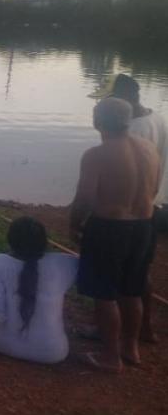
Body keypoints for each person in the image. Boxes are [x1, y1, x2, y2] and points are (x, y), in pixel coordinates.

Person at [71, 97, 160, 372]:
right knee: (131, 290)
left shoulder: (97, 154)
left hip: (110, 228)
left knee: (104, 293)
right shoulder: (149, 148)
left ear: (98, 122)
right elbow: (154, 189)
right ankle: (130, 347)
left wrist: (74, 223)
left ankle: (111, 357)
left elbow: (85, 198)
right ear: (128, 120)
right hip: (145, 226)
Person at [100, 74, 168, 343]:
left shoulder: (131, 132)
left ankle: (113, 335)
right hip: (155, 206)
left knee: (116, 274)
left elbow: (122, 177)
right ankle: (145, 328)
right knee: (140, 271)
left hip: (129, 213)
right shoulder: (157, 118)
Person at [0, 217, 78, 365]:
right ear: (45, 242)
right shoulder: (64, 262)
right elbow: (93, 267)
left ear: (11, 241)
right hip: (52, 353)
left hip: (3, 345)